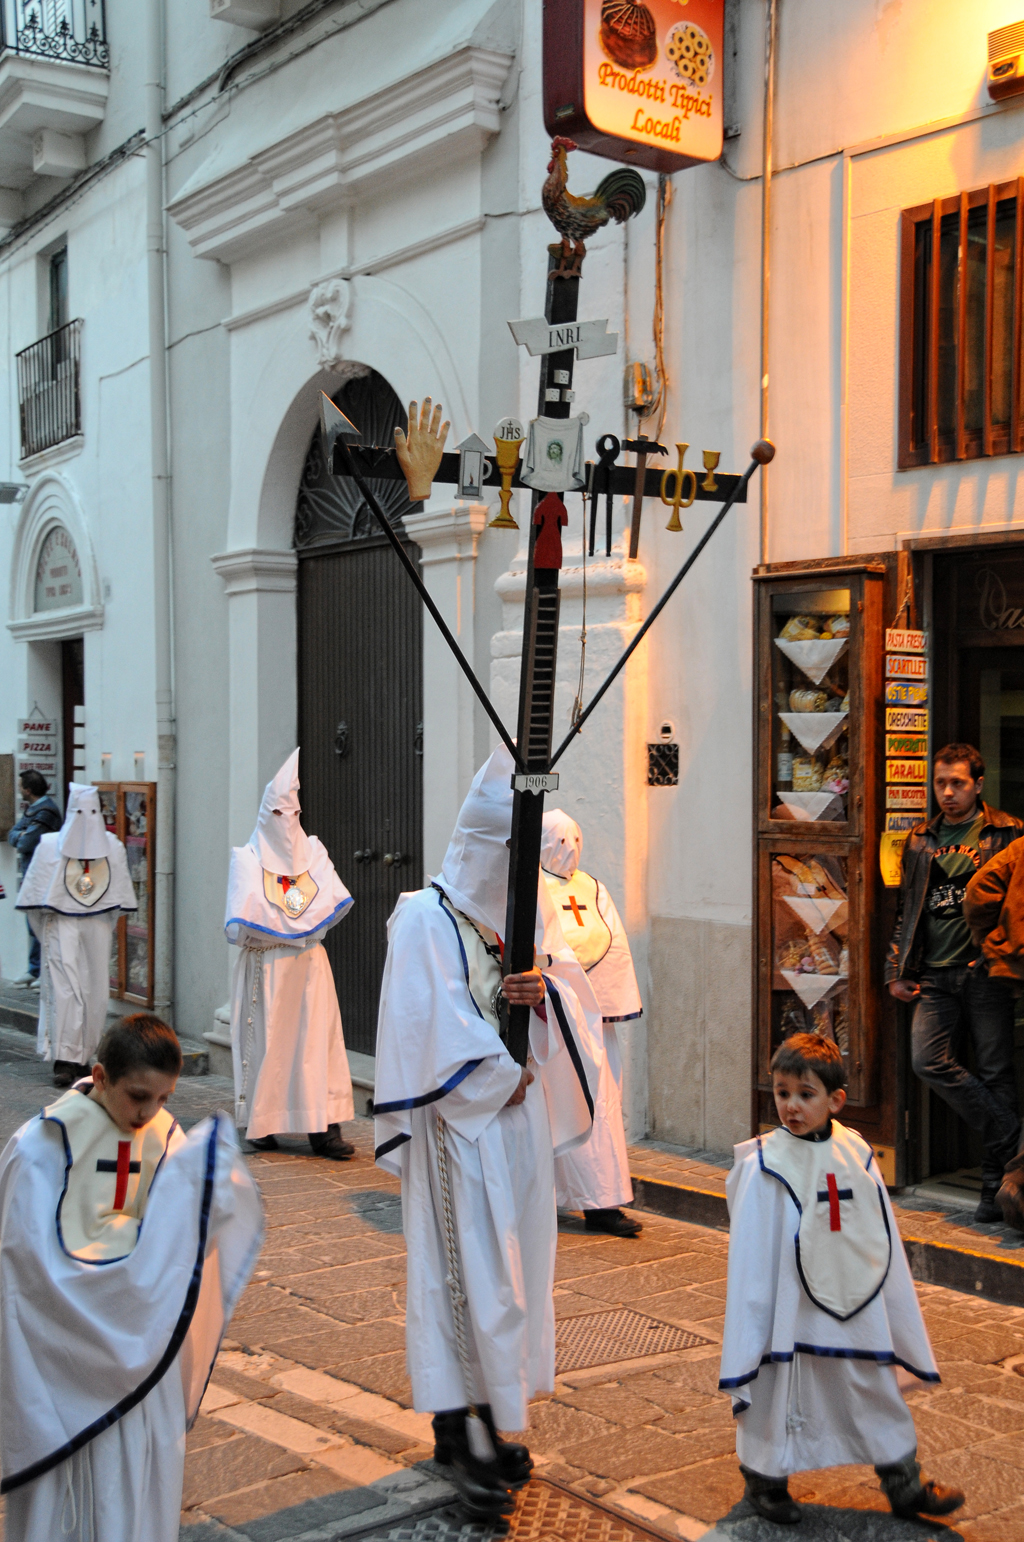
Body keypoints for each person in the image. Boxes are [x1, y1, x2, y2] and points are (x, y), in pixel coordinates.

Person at [373, 745, 601, 1524]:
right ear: (482, 850)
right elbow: (423, 1022)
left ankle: (491, 1414)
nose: (523, 876)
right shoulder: (423, 918)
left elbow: (568, 999)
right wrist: (503, 1075)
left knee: (514, 1275)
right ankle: (460, 1426)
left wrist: (541, 999)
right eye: (514, 857)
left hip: (516, 1132)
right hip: (460, 1133)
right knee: (465, 1277)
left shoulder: (519, 918)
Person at [0, 1014, 263, 1542]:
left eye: (164, 1099)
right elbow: (21, 1266)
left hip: (144, 1351)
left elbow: (184, 1237)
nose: (150, 1114)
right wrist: (120, 1286)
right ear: (99, 1077)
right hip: (64, 1359)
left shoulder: (165, 1136)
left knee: (140, 1489)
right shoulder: (40, 1146)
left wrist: (215, 1191)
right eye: (138, 1096)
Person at [720, 1032, 964, 1526]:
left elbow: (879, 1233)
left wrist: (886, 1300)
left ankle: (905, 1484)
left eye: (805, 1095)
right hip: (788, 1304)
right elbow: (752, 1247)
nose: (790, 1106)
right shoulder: (764, 1162)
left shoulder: (856, 1152)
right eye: (782, 1092)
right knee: (779, 1387)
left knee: (873, 1384)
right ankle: (765, 1481)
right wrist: (756, 1317)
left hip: (854, 1298)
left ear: (836, 1101)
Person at [885, 743, 1022, 1222]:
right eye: (940, 783)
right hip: (936, 976)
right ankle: (1012, 1133)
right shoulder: (921, 839)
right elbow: (908, 911)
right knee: (927, 1060)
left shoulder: (1007, 832)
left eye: (957, 783)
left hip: (985, 971)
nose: (947, 792)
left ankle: (993, 1187)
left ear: (978, 784)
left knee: (996, 1072)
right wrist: (897, 971)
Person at [225, 749, 356, 1159]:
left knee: (317, 1043)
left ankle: (324, 1126)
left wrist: (294, 928)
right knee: (269, 1043)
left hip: (309, 964)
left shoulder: (314, 852)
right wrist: (287, 929)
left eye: (293, 815)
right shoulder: (246, 859)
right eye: (279, 815)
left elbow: (329, 900)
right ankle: (264, 1124)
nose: (288, 824)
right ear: (266, 816)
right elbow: (245, 916)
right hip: (267, 966)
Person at [541, 808, 643, 1238]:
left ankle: (600, 1203)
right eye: (560, 842)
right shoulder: (524, 884)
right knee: (543, 1111)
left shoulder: (595, 889)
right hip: (543, 1018)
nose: (570, 851)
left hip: (590, 1021)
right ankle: (538, 1198)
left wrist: (597, 1000)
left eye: (575, 841)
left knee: (598, 1107)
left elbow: (615, 947)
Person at [17, 783, 137, 1088]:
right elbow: (35, 899)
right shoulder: (48, 845)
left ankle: (86, 1053)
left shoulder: (112, 846)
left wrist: (100, 918)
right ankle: (64, 1057)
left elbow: (117, 898)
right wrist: (46, 930)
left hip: (96, 923)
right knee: (65, 989)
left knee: (94, 988)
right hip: (59, 923)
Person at [7, 770, 61, 987]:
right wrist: (20, 835)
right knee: (32, 922)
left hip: (44, 874)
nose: (19, 789)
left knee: (43, 923)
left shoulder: (46, 811)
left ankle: (44, 971)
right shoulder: (34, 810)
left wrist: (21, 835)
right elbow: (15, 834)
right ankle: (34, 968)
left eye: (20, 786)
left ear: (28, 789)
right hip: (32, 873)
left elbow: (24, 842)